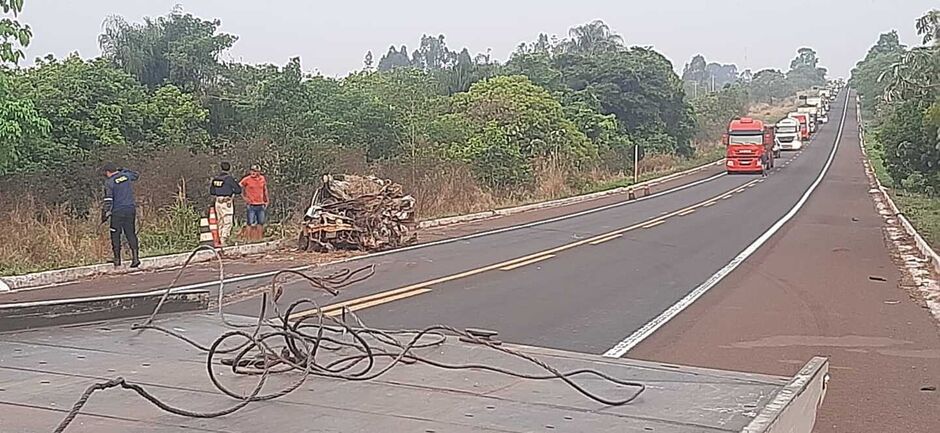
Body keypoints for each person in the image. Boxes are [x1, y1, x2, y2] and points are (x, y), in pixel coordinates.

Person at [101, 163, 141, 267]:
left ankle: (117, 259)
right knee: (130, 233)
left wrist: (105, 213)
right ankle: (135, 258)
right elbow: (136, 175)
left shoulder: (109, 182)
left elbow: (108, 200)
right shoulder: (126, 176)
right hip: (130, 209)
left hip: (117, 212)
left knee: (115, 234)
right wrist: (123, 169)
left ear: (107, 172)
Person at [209, 161, 242, 246]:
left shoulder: (216, 179)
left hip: (217, 202)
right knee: (228, 221)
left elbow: (212, 191)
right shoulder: (229, 179)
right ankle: (224, 239)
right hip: (226, 202)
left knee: (220, 221)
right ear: (229, 168)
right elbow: (238, 189)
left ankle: (219, 239)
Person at [239, 164, 269, 241]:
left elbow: (265, 189)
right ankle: (248, 239)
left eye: (255, 171)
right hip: (251, 204)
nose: (253, 172)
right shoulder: (247, 179)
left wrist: (266, 200)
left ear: (258, 172)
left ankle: (259, 239)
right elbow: (239, 187)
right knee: (250, 222)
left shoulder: (262, 178)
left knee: (261, 222)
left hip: (260, 203)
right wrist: (244, 198)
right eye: (252, 170)